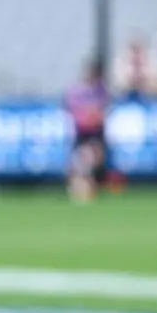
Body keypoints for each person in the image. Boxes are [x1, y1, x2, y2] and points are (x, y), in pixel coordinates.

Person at [64, 56, 111, 204]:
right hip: (82, 133)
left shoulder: (101, 90)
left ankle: (85, 189)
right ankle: (79, 188)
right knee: (81, 162)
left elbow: (102, 112)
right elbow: (75, 111)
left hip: (95, 133)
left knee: (90, 160)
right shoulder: (77, 90)